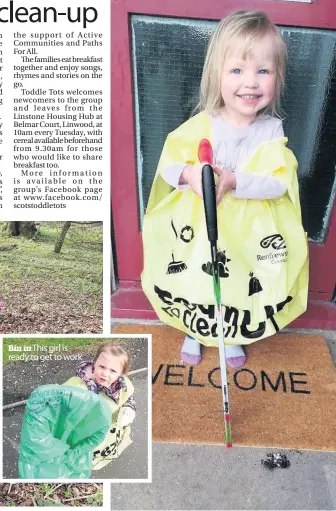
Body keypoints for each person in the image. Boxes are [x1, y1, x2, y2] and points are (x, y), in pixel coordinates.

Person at [141, 11, 308, 369]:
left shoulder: (272, 132)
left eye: (263, 71)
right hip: (201, 226)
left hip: (248, 232)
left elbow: (278, 182)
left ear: (277, 78)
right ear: (217, 76)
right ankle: (196, 330)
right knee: (196, 277)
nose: (250, 83)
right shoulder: (202, 125)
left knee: (238, 282)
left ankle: (230, 334)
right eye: (237, 71)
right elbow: (168, 167)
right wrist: (188, 175)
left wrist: (236, 181)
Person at [64, 342, 136, 470]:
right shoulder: (77, 386)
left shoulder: (121, 386)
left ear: (121, 374)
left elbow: (128, 396)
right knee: (86, 448)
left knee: (102, 444)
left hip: (109, 430)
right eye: (102, 367)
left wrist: (129, 407)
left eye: (113, 371)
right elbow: (59, 399)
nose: (105, 374)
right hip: (82, 431)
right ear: (94, 363)